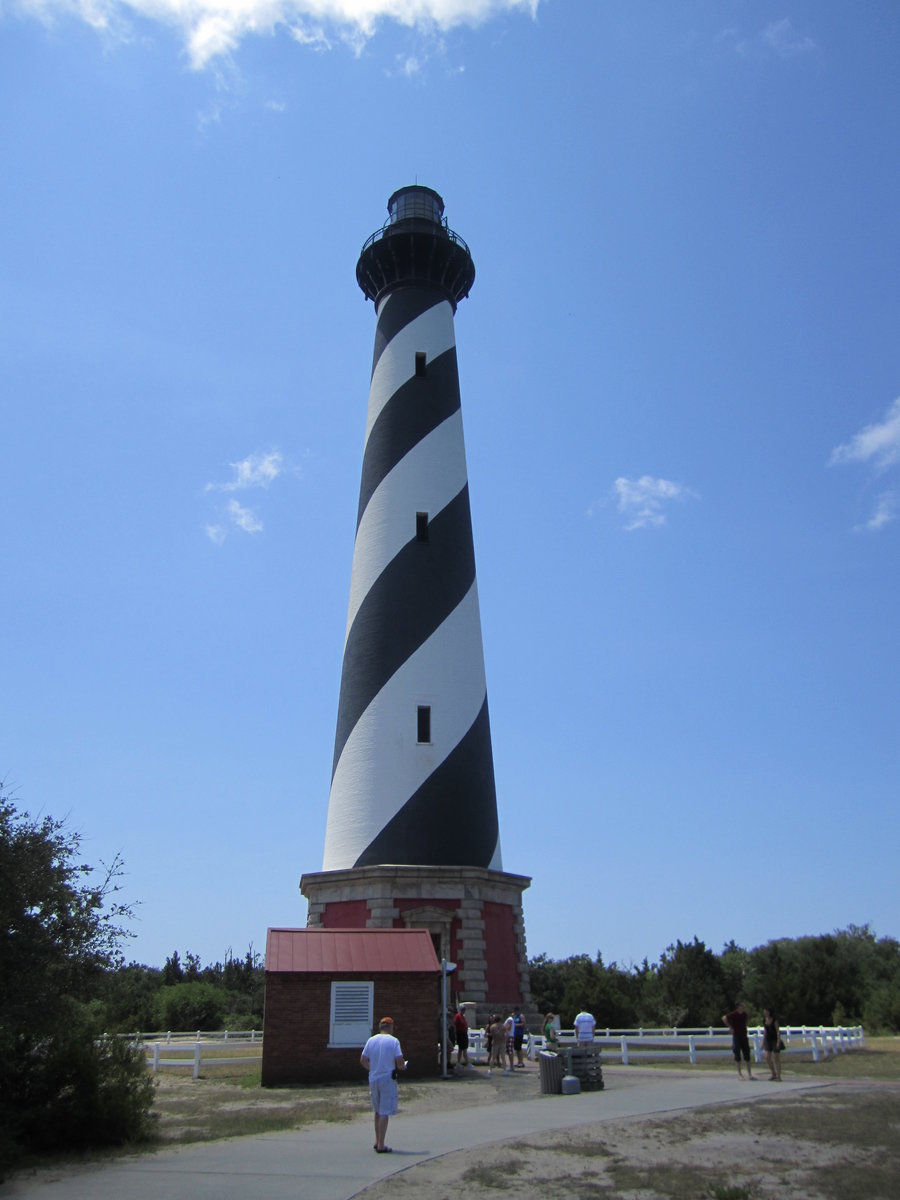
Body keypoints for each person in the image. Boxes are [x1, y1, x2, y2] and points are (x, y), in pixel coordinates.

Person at [360, 1016, 406, 1153]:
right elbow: (399, 1061)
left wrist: (372, 1069)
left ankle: (377, 1140)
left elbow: (363, 1060)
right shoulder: (393, 1041)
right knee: (384, 1111)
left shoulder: (371, 1040)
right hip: (387, 1079)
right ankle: (381, 1145)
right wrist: (403, 1066)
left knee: (377, 1111)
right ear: (390, 1027)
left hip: (373, 1078)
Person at [723, 1001, 754, 1080]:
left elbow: (746, 1022)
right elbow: (724, 1018)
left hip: (744, 1036)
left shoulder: (745, 1014)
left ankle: (749, 1074)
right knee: (737, 1054)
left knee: (747, 1054)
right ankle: (740, 1074)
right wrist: (730, 1027)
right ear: (738, 1007)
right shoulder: (734, 1014)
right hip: (736, 1035)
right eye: (741, 1006)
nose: (743, 1007)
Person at [763, 1007, 782, 1081]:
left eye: (766, 1011)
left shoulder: (774, 1020)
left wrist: (778, 1041)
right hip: (768, 1040)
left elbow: (777, 1031)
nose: (765, 1013)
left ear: (769, 1012)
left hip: (774, 1039)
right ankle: (773, 1073)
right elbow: (765, 1031)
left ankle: (779, 1076)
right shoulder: (764, 1020)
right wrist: (763, 1042)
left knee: (776, 1057)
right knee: (767, 1057)